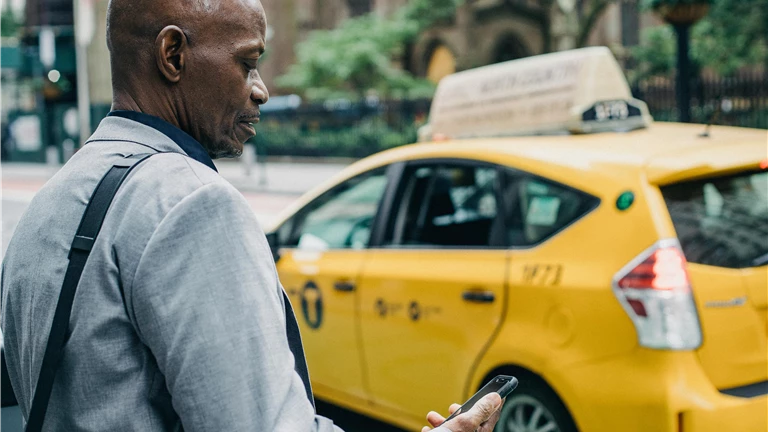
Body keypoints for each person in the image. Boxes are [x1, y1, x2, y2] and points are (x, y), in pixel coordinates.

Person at [0, 0, 504, 431]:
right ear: (172, 55)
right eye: (247, 63)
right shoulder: (191, 204)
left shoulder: (51, 202)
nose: (260, 88)